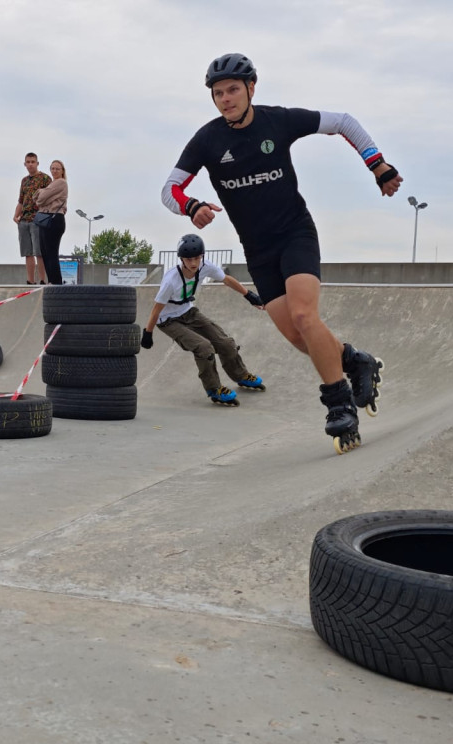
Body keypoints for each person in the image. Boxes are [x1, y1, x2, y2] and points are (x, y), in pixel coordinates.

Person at [161, 53, 400, 453]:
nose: (226, 99)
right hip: (258, 250)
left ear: (251, 88)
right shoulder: (208, 140)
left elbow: (343, 121)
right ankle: (355, 360)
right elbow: (169, 189)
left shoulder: (279, 120)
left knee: (306, 316)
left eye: (233, 90)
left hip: (295, 234)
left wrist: (378, 165)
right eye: (218, 93)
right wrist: (191, 207)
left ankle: (338, 405)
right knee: (296, 335)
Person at [141, 234, 266, 405]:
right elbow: (156, 309)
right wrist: (147, 333)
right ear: (182, 259)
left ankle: (241, 375)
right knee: (204, 348)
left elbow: (226, 279)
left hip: (189, 312)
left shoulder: (206, 267)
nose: (193, 263)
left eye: (197, 258)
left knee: (226, 343)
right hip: (168, 320)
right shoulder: (170, 280)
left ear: (202, 257)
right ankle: (214, 389)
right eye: (189, 259)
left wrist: (249, 295)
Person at [13, 152, 51, 285]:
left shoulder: (45, 178)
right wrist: (15, 215)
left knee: (39, 252)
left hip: (38, 219)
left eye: (32, 162)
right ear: (25, 164)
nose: (30, 164)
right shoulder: (24, 181)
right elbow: (21, 201)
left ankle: (42, 280)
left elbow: (50, 198)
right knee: (27, 252)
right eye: (28, 162)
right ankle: (30, 280)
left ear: (37, 163)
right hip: (24, 219)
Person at [34, 160, 68, 285]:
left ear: (62, 171)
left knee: (51, 252)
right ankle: (52, 281)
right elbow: (35, 198)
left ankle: (56, 282)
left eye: (57, 169)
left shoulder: (61, 183)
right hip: (46, 219)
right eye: (52, 168)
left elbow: (40, 199)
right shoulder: (52, 184)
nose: (54, 171)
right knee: (45, 252)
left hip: (54, 219)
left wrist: (42, 192)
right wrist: (43, 193)